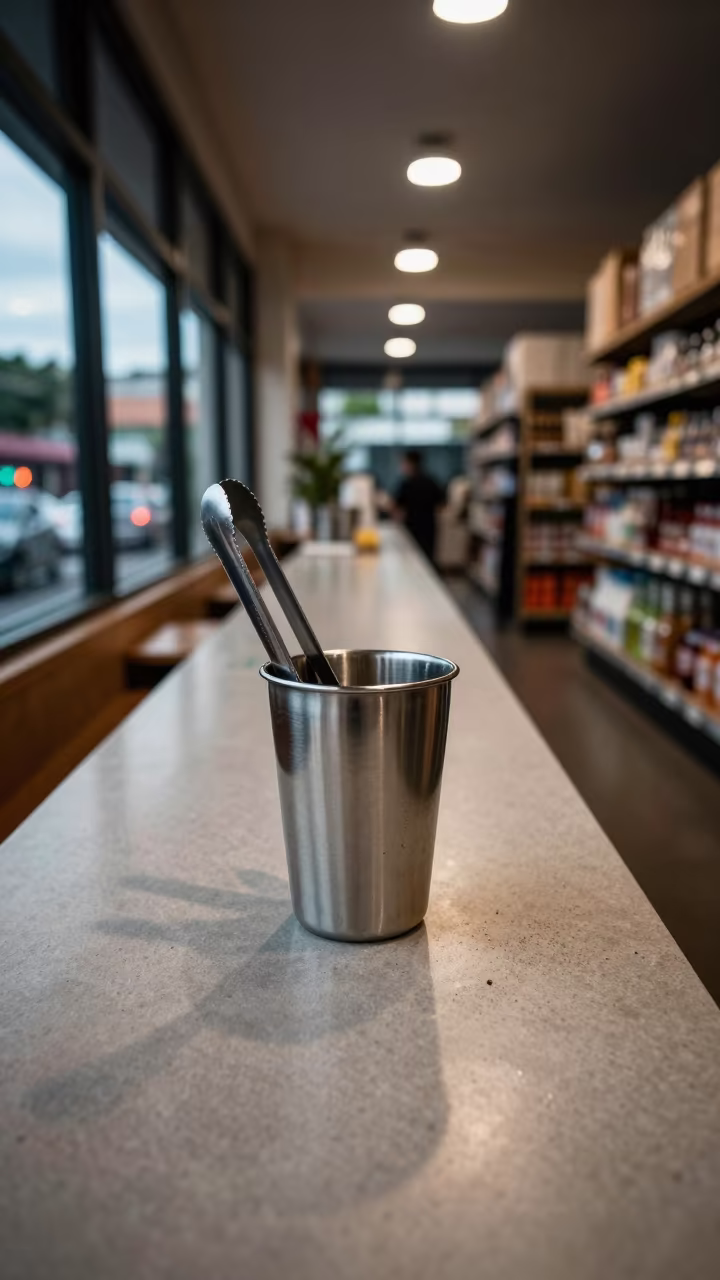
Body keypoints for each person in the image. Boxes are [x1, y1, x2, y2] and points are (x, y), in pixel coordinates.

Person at [393, 450, 445, 562]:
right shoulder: (431, 481)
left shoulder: (406, 484)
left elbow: (397, 506)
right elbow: (441, 504)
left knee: (412, 560)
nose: (402, 466)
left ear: (411, 464)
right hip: (429, 526)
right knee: (428, 559)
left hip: (411, 527)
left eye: (404, 463)